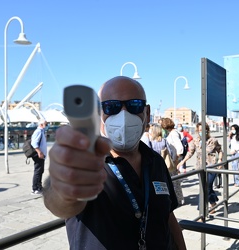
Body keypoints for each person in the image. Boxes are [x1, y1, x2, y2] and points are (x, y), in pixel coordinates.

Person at [43, 76, 186, 250]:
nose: (123, 115)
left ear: (147, 113)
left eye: (134, 105)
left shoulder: (155, 161)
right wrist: (62, 186)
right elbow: (60, 204)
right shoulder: (88, 162)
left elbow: (168, 216)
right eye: (111, 107)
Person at [177, 122, 223, 214]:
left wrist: (220, 160)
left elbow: (220, 150)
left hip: (212, 167)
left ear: (207, 130)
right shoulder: (195, 141)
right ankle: (213, 203)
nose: (201, 132)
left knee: (206, 187)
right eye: (199, 130)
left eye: (204, 130)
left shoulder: (213, 140)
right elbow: (190, 152)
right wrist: (182, 161)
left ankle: (201, 212)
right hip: (200, 168)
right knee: (205, 187)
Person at [160, 118, 185, 205]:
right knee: (175, 181)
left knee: (174, 181)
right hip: (174, 160)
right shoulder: (174, 133)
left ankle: (176, 200)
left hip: (173, 160)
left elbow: (180, 147)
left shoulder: (173, 134)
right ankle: (178, 199)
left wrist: (176, 160)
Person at [30, 118, 48, 195]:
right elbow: (34, 143)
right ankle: (35, 189)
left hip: (41, 155)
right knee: (38, 171)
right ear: (41, 125)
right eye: (46, 124)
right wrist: (39, 152)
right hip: (39, 155)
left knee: (40, 171)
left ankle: (39, 187)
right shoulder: (38, 132)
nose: (47, 126)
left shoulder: (41, 132)